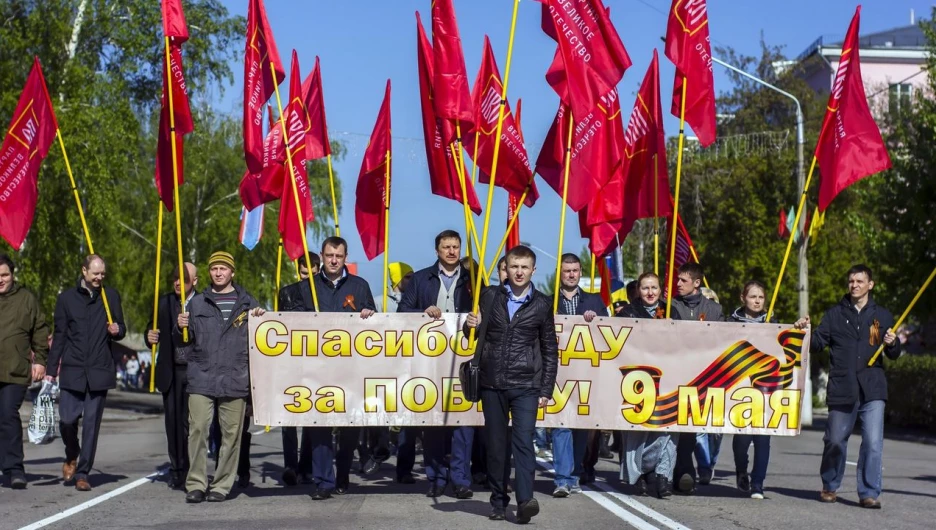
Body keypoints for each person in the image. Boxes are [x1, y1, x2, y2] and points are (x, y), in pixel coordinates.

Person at [794, 264, 901, 509]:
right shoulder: (834, 315)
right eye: (851, 281)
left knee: (873, 443)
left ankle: (869, 493)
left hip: (873, 389)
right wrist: (805, 331)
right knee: (834, 440)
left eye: (859, 281)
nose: (854, 285)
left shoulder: (882, 316)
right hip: (843, 387)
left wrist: (893, 343)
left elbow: (893, 353)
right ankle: (830, 486)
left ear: (870, 285)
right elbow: (817, 343)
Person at [465, 245, 558, 523]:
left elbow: (550, 350)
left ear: (533, 270)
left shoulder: (542, 304)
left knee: (524, 443)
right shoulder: (490, 295)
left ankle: (526, 499)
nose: (519, 272)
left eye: (524, 267)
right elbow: (474, 333)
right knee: (496, 446)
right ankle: (497, 501)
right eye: (514, 266)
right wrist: (471, 324)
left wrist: (546, 389)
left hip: (526, 385)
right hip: (492, 382)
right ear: (506, 268)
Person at [177, 251, 263, 503]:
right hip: (202, 376)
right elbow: (184, 344)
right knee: (198, 430)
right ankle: (195, 483)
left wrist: (261, 317)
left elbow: (263, 339)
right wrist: (179, 326)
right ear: (209, 273)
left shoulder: (248, 304)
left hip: (235, 377)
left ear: (232, 273)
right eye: (214, 268)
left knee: (231, 435)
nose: (218, 272)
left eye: (223, 268)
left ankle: (222, 485)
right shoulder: (196, 303)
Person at [397, 230, 475, 499]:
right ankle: (436, 477)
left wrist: (478, 317)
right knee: (433, 422)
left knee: (464, 421)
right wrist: (423, 312)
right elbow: (401, 313)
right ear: (437, 251)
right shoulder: (420, 279)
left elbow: (489, 307)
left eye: (455, 247)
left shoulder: (473, 280)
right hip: (429, 361)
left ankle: (461, 479)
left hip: (464, 360)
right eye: (446, 247)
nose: (452, 251)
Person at [46, 254, 126, 492]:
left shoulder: (110, 296)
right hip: (73, 370)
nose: (99, 278)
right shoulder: (66, 299)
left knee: (91, 425)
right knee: (67, 420)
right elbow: (59, 336)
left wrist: (117, 329)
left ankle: (83, 472)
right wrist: (51, 371)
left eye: (103, 274)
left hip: (99, 370)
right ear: (84, 271)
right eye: (95, 273)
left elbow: (121, 329)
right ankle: (72, 453)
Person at [306, 236, 376, 499]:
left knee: (350, 424)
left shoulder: (360, 286)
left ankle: (343, 472)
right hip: (317, 368)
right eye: (329, 255)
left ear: (346, 257)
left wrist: (371, 316)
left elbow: (378, 326)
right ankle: (323, 481)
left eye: (338, 256)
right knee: (319, 424)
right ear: (322, 257)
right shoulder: (308, 287)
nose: (333, 260)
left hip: (351, 369)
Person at [552, 254, 607, 498]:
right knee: (560, 425)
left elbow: (612, 333)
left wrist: (598, 321)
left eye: (575, 270)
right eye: (567, 271)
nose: (571, 274)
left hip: (587, 374)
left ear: (580, 271)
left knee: (580, 427)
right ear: (559, 273)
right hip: (557, 375)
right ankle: (562, 478)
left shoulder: (594, 300)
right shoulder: (549, 301)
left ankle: (574, 475)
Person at [618, 273, 676, 499]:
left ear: (660, 289)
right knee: (635, 432)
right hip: (636, 381)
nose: (650, 292)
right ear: (638, 291)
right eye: (645, 288)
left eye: (654, 287)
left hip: (669, 381)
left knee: (668, 428)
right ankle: (638, 476)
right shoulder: (627, 313)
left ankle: (663, 476)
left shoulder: (672, 312)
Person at [670, 262, 724, 494]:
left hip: (701, 380)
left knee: (691, 428)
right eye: (678, 279)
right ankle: (669, 472)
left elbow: (723, 340)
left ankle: (686, 471)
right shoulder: (670, 306)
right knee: (670, 428)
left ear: (696, 283)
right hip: (673, 375)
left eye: (683, 280)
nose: (678, 284)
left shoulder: (713, 310)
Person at [0, 254, 50, 490]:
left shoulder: (26, 299)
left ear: (12, 275)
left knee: (7, 415)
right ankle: (5, 465)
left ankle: (15, 469)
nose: (0, 280)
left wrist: (40, 360)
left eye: (4, 275)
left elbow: (40, 329)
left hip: (15, 370)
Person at [145, 263, 197, 489]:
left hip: (196, 371)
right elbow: (151, 329)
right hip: (171, 371)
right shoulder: (163, 302)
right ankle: (177, 469)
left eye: (184, 279)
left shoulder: (203, 302)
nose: (178, 282)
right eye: (175, 278)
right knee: (174, 423)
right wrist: (150, 337)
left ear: (194, 281)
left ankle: (193, 467)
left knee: (193, 424)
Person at [727, 280, 776, 500]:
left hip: (765, 390)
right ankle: (741, 470)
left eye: (761, 297)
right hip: (739, 389)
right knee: (741, 441)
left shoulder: (773, 323)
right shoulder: (730, 322)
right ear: (743, 298)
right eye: (752, 297)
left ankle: (758, 484)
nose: (757, 301)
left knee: (763, 439)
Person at [277, 253, 320, 487]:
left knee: (312, 418)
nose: (308, 279)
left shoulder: (323, 293)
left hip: (317, 362)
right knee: (289, 417)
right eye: (304, 274)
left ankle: (306, 467)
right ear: (298, 271)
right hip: (291, 361)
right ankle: (290, 466)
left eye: (313, 274)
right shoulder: (286, 292)